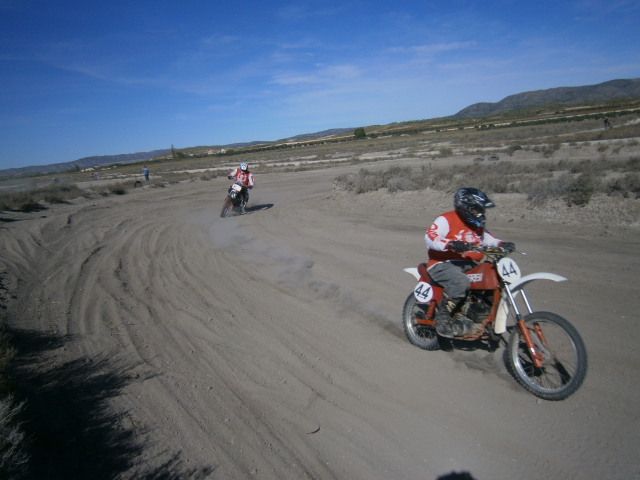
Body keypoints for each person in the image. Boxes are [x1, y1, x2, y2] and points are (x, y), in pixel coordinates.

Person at [425, 187, 515, 338]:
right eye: (477, 209)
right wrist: (450, 244)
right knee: (460, 282)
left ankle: (483, 318)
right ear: (466, 207)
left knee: (491, 277)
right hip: (443, 263)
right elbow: (430, 237)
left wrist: (501, 244)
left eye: (481, 210)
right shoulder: (446, 219)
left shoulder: (477, 226)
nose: (480, 213)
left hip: (469, 265)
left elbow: (488, 239)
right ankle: (442, 320)